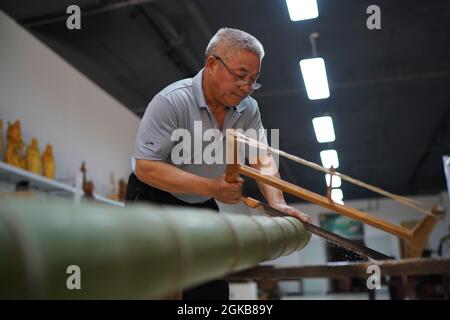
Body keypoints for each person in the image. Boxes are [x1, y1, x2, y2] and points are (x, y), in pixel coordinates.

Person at [125, 27, 311, 300]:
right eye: (240, 76)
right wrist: (212, 187)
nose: (247, 87)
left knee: (211, 292)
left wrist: (278, 201)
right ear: (212, 64)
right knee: (157, 289)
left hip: (200, 202)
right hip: (152, 197)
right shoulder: (172, 101)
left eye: (254, 80)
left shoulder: (248, 109)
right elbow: (146, 167)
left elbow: (261, 159)